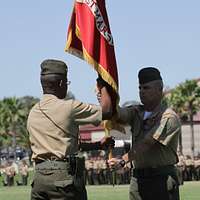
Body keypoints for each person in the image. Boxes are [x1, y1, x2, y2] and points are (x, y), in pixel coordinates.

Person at [27, 59, 115, 200]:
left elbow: (64, 145)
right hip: (62, 179)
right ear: (61, 83)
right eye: (66, 83)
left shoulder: (33, 112)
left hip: (39, 179)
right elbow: (107, 110)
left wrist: (98, 145)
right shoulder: (69, 107)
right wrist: (103, 83)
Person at [108, 67, 181, 200]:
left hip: (161, 179)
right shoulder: (136, 112)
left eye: (146, 88)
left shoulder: (168, 116)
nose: (141, 91)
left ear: (160, 89)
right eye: (140, 88)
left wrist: (123, 160)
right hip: (138, 179)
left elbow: (148, 143)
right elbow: (115, 113)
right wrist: (105, 94)